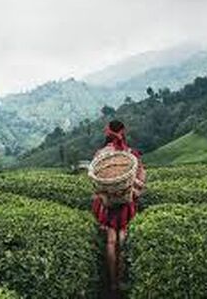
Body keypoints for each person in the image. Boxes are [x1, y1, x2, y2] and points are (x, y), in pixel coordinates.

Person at [91, 120, 146, 295]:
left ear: (107, 133)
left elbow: (95, 182)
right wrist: (136, 188)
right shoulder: (130, 154)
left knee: (110, 241)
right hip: (125, 203)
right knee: (123, 238)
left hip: (107, 204)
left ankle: (112, 282)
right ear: (123, 132)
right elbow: (141, 176)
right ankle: (122, 278)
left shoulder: (101, 154)